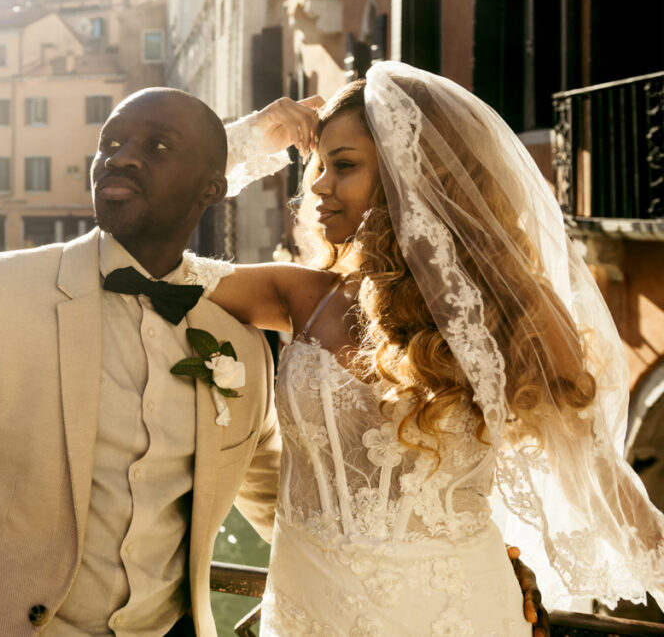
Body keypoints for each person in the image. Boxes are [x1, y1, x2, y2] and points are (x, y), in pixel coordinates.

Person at [189, 61, 664, 635]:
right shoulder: (301, 294)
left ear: (407, 176)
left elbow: (601, 480)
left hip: (461, 614)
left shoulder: (513, 315)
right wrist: (245, 143)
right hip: (306, 613)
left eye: (343, 167)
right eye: (318, 165)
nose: (316, 185)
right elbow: (148, 269)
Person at [0, 87, 283, 636]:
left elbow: (287, 513)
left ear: (213, 187)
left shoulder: (241, 344)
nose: (121, 156)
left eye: (156, 145)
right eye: (110, 142)